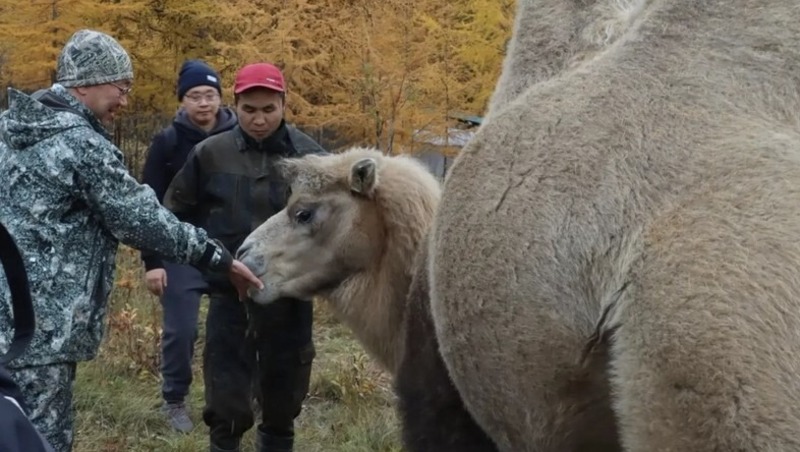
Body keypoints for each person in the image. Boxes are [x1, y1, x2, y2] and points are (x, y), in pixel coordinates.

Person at [0, 29, 262, 452]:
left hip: (8, 318)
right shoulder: (79, 143)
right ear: (85, 83)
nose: (124, 101)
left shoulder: (12, 129)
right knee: (38, 440)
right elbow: (141, 218)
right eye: (120, 88)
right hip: (43, 328)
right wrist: (218, 257)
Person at [164, 62, 327, 452]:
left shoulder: (313, 160)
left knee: (282, 403)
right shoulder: (210, 154)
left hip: (289, 303)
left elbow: (336, 227)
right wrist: (204, 261)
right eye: (249, 109)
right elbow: (174, 215)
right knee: (226, 405)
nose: (258, 119)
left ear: (284, 104)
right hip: (229, 300)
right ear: (235, 105)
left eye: (269, 109)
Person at [139, 59, 238, 433]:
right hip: (179, 251)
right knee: (181, 330)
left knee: (233, 331)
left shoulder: (238, 136)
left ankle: (233, 399)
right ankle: (174, 400)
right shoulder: (168, 141)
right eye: (194, 96)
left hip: (227, 249)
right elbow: (147, 204)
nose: (203, 103)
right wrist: (153, 261)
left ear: (220, 98)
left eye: (209, 95)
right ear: (182, 101)